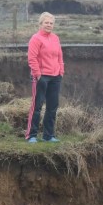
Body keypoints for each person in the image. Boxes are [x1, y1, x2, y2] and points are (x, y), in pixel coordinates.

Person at [25, 12, 64, 142]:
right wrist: (38, 75)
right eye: (46, 22)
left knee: (52, 107)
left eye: (51, 23)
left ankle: (48, 135)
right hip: (41, 77)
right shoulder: (35, 39)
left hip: (55, 76)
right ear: (41, 24)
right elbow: (32, 58)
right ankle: (31, 135)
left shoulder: (55, 38)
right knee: (37, 106)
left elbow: (59, 56)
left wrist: (61, 71)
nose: (49, 25)